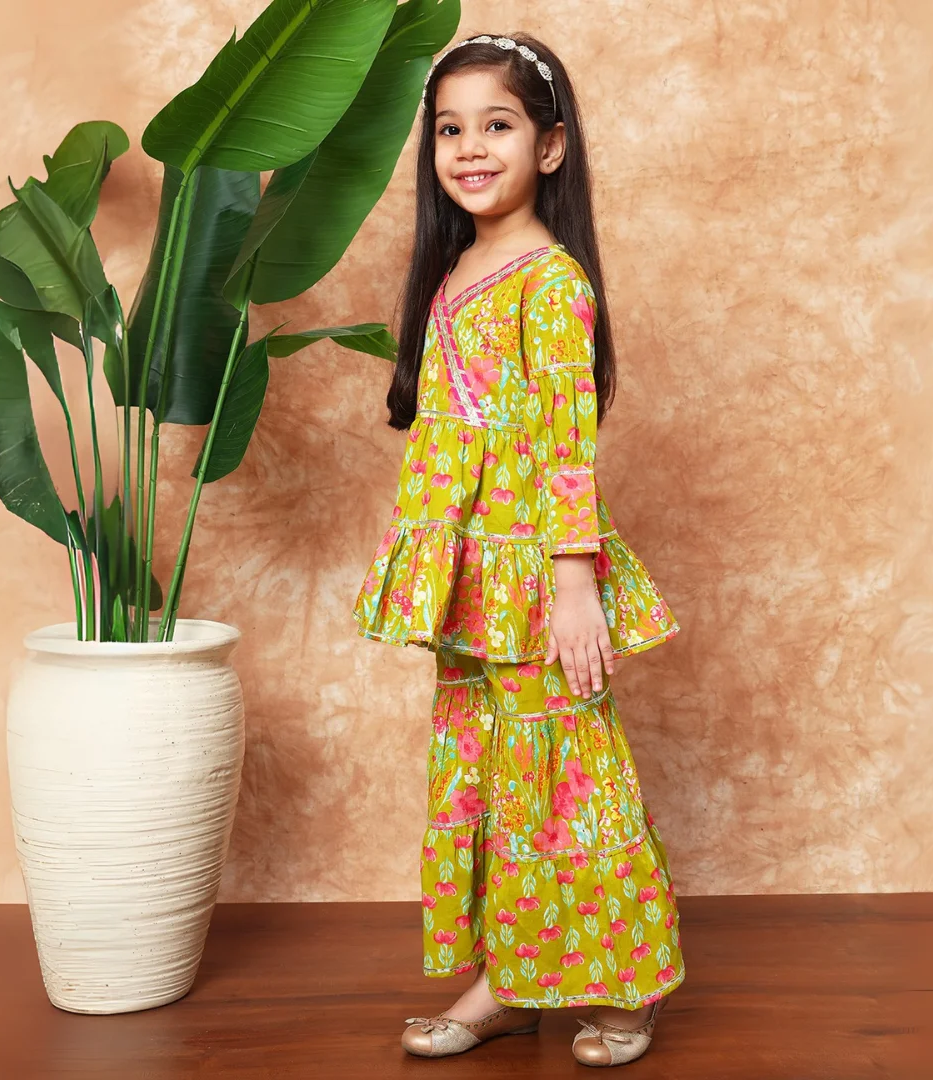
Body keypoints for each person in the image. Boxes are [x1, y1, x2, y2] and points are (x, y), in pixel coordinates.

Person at [352, 31, 684, 1068]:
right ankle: (513, 979)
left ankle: (626, 983)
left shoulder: (551, 282)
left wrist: (574, 586)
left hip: (537, 573)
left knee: (569, 772)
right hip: (474, 579)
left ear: (549, 146)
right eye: (450, 129)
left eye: (496, 125)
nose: (469, 148)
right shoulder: (458, 267)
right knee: (494, 774)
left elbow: (562, 445)